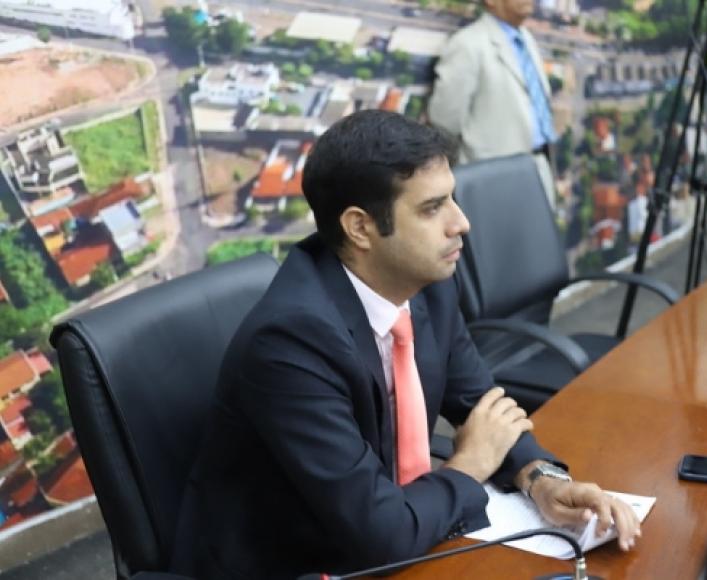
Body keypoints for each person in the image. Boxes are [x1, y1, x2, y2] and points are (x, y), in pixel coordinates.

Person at [171, 111, 639, 579]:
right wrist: (470, 464)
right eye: (432, 208)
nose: (461, 223)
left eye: (452, 198)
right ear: (360, 227)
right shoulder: (290, 343)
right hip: (298, 564)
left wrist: (541, 480)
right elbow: (382, 534)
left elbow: (482, 407)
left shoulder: (427, 283)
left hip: (394, 532)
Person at [428, 0, 557, 205]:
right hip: (493, 179)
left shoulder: (526, 39)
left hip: (538, 167)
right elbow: (445, 120)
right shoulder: (468, 43)